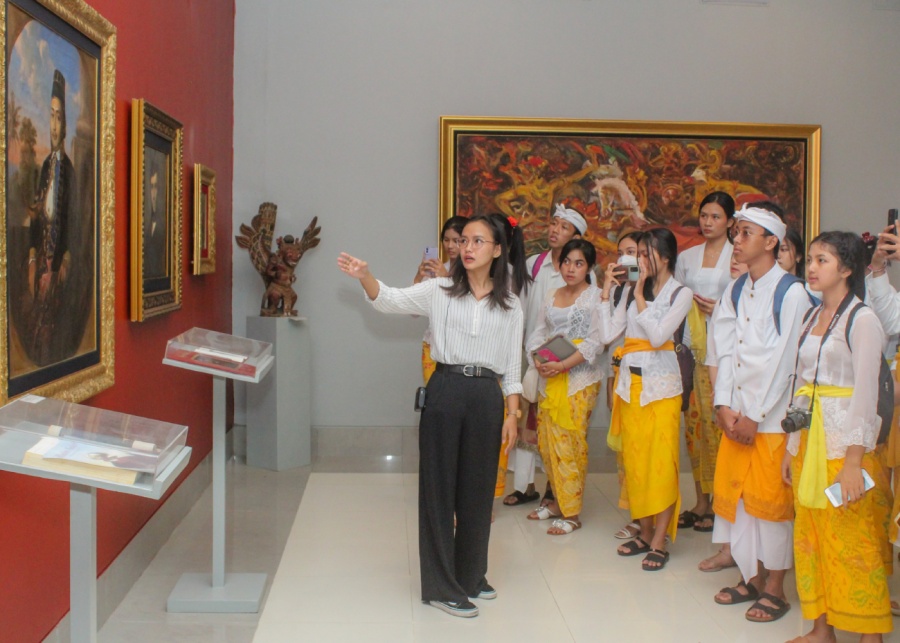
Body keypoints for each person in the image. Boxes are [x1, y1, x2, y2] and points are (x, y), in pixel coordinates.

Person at [337, 215, 523, 619]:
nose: (467, 247)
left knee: (477, 490)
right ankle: (441, 586)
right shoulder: (438, 289)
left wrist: (512, 412)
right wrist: (366, 276)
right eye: (463, 241)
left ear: (496, 249)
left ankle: (471, 574)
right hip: (445, 390)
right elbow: (388, 300)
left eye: (478, 241)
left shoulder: (510, 302)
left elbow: (512, 364)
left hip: (486, 396)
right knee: (438, 490)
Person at [780, 231, 892, 643]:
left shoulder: (862, 319)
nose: (811, 267)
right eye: (809, 259)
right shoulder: (812, 316)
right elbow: (801, 383)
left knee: (852, 540)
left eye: (822, 260)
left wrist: (853, 462)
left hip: (845, 443)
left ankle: (870, 636)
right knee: (810, 537)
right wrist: (791, 448)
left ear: (846, 269)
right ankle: (821, 628)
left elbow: (865, 394)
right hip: (811, 442)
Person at [710, 202, 812, 623]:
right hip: (737, 416)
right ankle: (750, 576)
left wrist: (755, 414)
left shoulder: (792, 291)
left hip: (769, 421)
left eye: (747, 233)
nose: (737, 239)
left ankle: (775, 588)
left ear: (772, 242)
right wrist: (722, 405)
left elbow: (786, 361)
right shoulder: (736, 288)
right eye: (737, 232)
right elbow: (724, 348)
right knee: (741, 501)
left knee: (771, 506)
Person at [599, 227, 693, 571]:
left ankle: (660, 538)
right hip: (630, 387)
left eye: (645, 254)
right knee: (636, 465)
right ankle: (645, 529)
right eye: (636, 253)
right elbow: (609, 335)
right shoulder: (627, 291)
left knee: (661, 465)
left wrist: (639, 294)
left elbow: (656, 336)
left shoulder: (681, 293)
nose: (638, 260)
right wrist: (608, 292)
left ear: (664, 257)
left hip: (663, 389)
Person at [504, 204, 586, 507]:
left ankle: (556, 487)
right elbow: (521, 311)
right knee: (527, 421)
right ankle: (525, 485)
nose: (555, 230)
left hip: (568, 363)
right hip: (533, 356)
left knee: (556, 426)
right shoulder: (534, 264)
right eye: (553, 223)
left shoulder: (583, 273)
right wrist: (528, 353)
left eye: (564, 227)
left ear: (577, 237)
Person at [525, 239, 603, 534]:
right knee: (547, 444)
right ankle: (557, 501)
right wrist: (537, 358)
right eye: (567, 262)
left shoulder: (596, 297)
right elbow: (539, 331)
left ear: (589, 268)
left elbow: (596, 341)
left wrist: (564, 365)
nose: (571, 268)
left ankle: (572, 513)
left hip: (579, 379)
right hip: (550, 377)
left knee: (570, 444)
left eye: (579, 263)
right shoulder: (551, 294)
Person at [674, 191, 735, 534]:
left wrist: (721, 310)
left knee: (719, 428)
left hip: (725, 349)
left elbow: (744, 298)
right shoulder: (688, 256)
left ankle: (721, 503)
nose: (708, 222)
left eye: (715, 216)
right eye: (704, 216)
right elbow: (679, 299)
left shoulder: (736, 256)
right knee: (696, 428)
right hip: (692, 349)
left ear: (729, 221)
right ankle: (700, 501)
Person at [26, 69, 75, 366]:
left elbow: (74, 226)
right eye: (51, 116)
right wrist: (33, 258)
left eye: (59, 117)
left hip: (57, 269)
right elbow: (36, 215)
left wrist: (63, 263)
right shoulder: (46, 166)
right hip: (40, 265)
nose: (54, 125)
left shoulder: (68, 170)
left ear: (66, 122)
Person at [415, 215, 467, 383]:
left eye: (456, 241)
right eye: (446, 240)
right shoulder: (438, 269)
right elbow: (414, 312)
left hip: (461, 350)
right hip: (432, 345)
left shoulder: (472, 273)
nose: (450, 246)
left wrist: (446, 278)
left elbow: (466, 305)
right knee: (435, 398)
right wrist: (419, 277)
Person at [143, 158, 167, 278]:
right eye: (151, 186)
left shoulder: (164, 223)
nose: (153, 193)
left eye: (156, 187)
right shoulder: (144, 222)